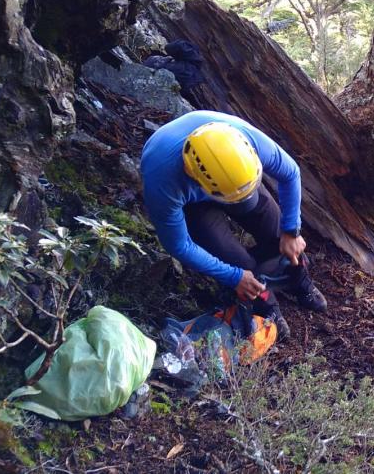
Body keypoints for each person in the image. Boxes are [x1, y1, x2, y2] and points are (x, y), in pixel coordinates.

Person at [139, 110, 326, 338]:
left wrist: (292, 230)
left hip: (236, 180)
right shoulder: (163, 181)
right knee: (234, 258)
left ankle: (299, 281)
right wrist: (234, 276)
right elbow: (178, 245)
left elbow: (290, 173)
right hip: (196, 204)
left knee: (274, 225)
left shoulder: (244, 139)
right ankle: (266, 306)